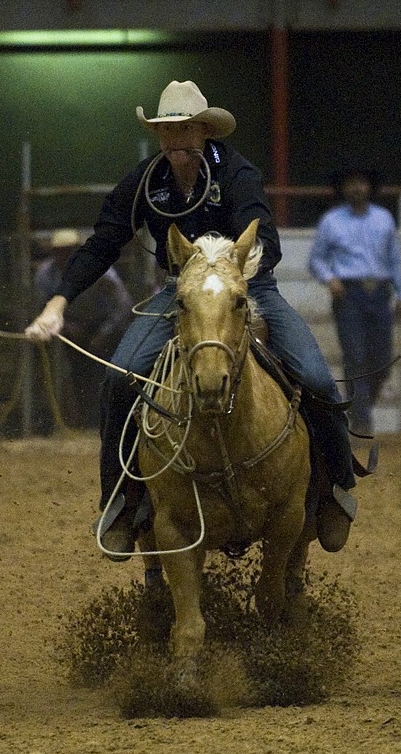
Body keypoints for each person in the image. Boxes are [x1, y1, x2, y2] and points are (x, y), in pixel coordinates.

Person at [25, 80, 358, 564]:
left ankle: (335, 489)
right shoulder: (146, 181)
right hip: (179, 291)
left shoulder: (239, 174)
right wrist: (57, 303)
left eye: (185, 128)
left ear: (204, 131)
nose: (176, 139)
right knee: (121, 378)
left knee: (316, 379)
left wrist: (229, 275)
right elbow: (103, 242)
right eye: (167, 129)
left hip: (247, 287)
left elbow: (267, 238)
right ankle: (120, 500)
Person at [307, 168, 401, 437]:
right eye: (351, 182)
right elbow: (316, 259)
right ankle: (361, 418)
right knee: (355, 356)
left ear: (369, 186)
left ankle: (361, 407)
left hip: (379, 292)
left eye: (361, 182)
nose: (357, 188)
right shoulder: (331, 221)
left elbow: (395, 259)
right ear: (343, 188)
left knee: (381, 358)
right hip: (348, 294)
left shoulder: (384, 218)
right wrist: (330, 278)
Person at [31, 228, 133, 429]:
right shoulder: (45, 274)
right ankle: (66, 421)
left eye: (68, 251)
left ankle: (102, 421)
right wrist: (64, 327)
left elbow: (123, 304)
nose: (64, 256)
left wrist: (104, 333)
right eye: (59, 251)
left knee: (105, 373)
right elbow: (39, 307)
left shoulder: (101, 269)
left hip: (102, 327)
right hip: (65, 328)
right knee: (71, 374)